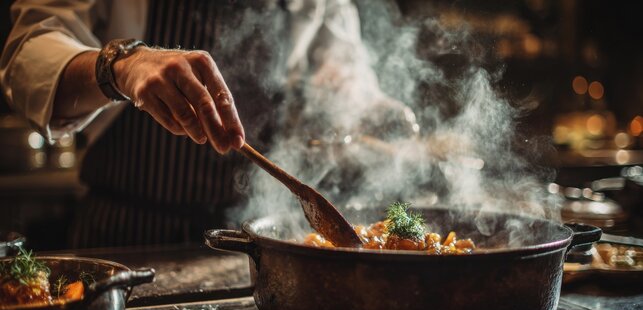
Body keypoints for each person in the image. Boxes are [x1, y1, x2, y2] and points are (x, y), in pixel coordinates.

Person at [1, 0, 413, 247]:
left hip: (255, 245)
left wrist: (363, 106)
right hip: (127, 235)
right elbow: (26, 55)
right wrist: (122, 66)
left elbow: (344, 71)